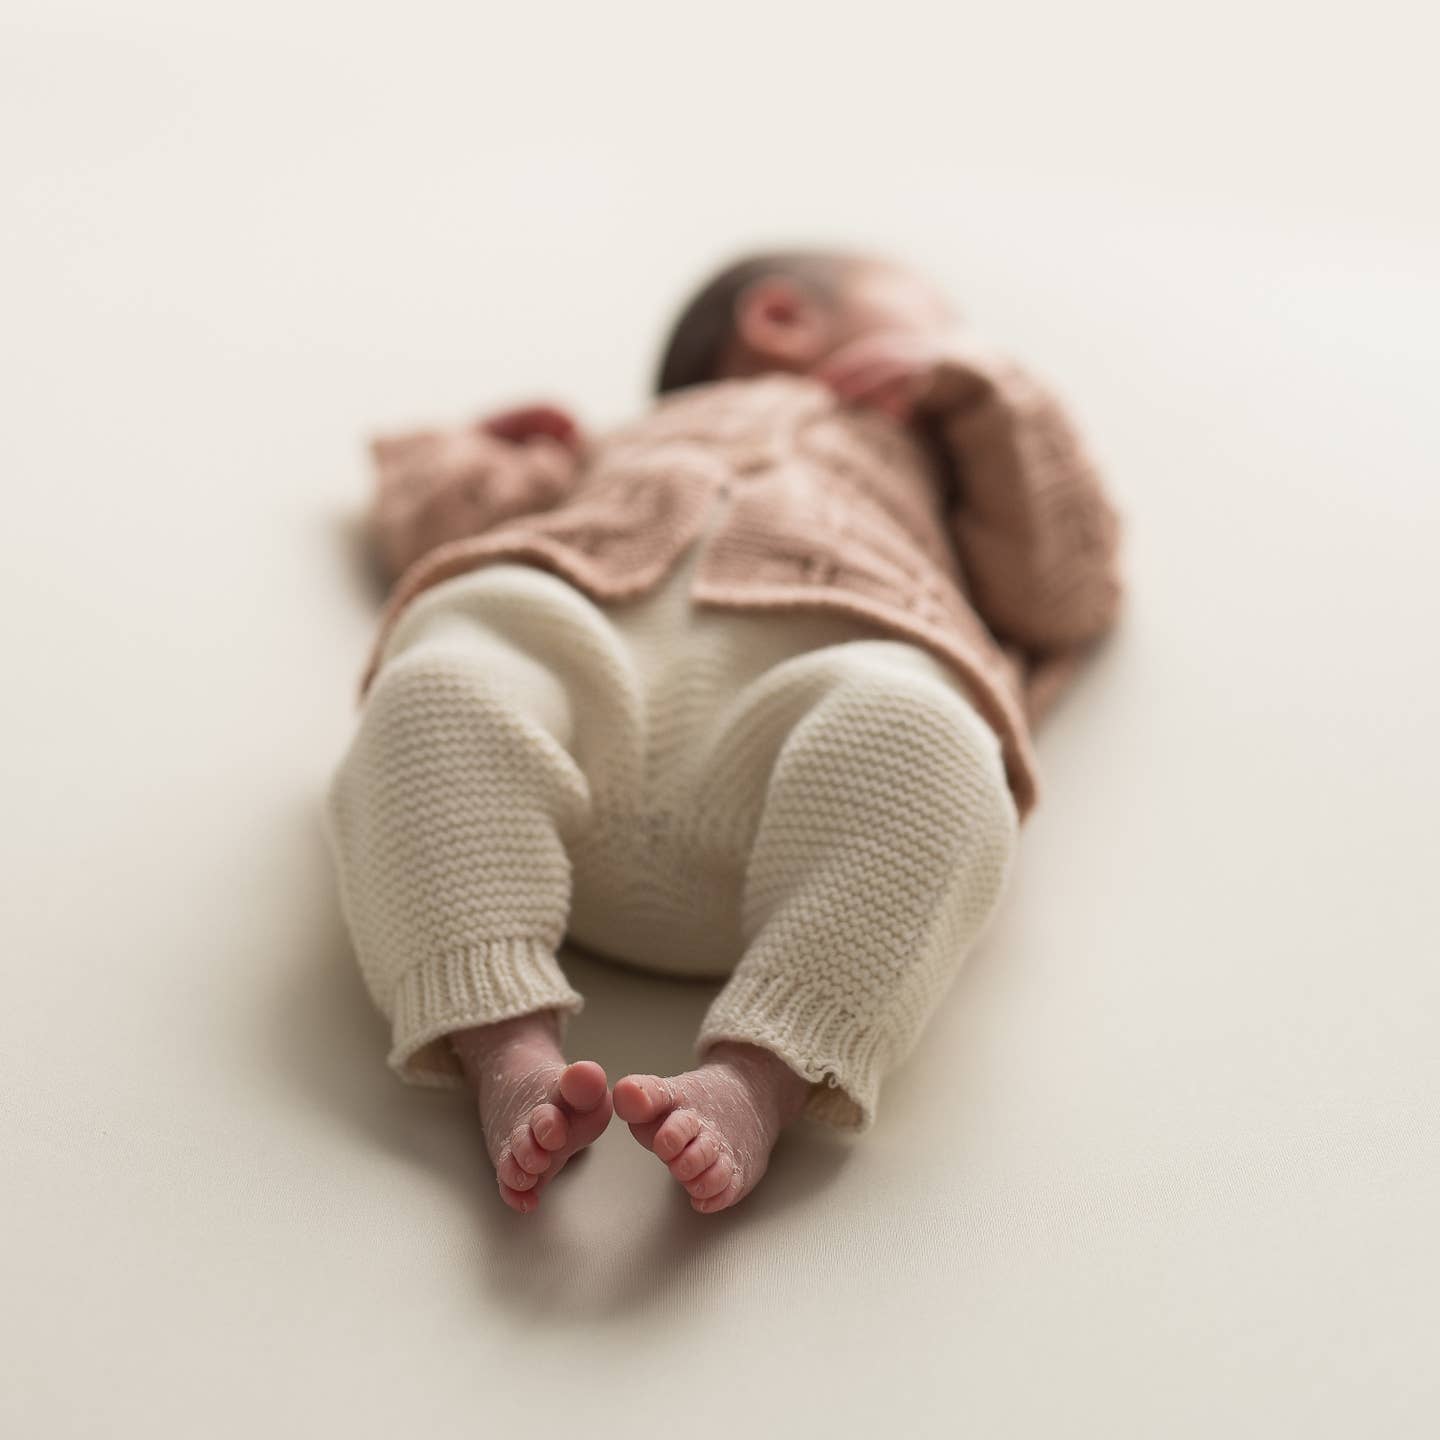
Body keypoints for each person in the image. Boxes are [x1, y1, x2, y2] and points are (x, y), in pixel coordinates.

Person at [324, 247, 1127, 1214]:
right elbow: (437, 523)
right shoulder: (625, 443)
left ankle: (758, 1075)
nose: (955, 347)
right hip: (565, 748)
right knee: (445, 675)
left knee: (924, 731)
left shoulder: (943, 474)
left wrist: (991, 395)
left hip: (799, 800)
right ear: (782, 318)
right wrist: (474, 452)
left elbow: (1067, 591)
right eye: (939, 326)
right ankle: (505, 1048)